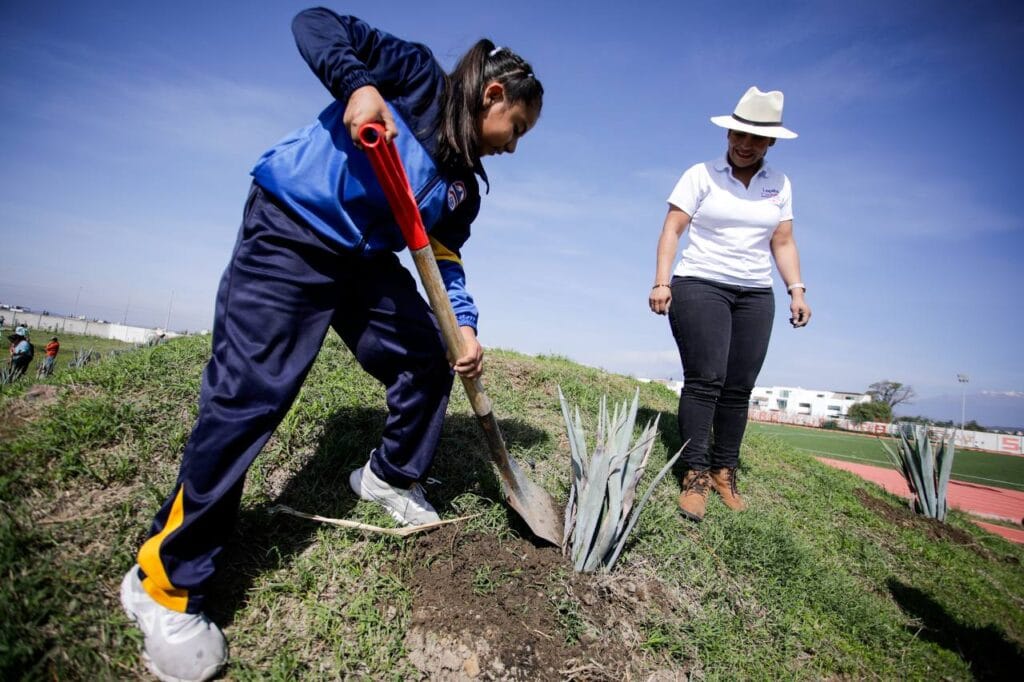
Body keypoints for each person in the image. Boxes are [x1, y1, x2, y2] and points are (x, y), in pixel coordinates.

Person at [118, 8, 543, 682]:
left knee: (428, 352)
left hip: (364, 262)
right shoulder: (412, 78)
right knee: (250, 399)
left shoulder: (464, 188)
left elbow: (445, 256)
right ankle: (163, 582)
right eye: (516, 128)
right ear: (494, 95)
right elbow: (315, 23)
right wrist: (355, 86)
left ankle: (389, 476)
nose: (514, 146)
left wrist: (463, 323)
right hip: (292, 232)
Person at [649, 86, 811, 523]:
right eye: (738, 135)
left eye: (756, 139)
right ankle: (696, 474)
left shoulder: (779, 185)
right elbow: (672, 229)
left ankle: (724, 471)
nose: (744, 145)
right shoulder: (701, 175)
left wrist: (796, 288)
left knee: (739, 386)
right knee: (707, 378)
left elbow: (783, 240)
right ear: (729, 133)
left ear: (770, 142)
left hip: (756, 292)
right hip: (701, 282)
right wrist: (662, 280)